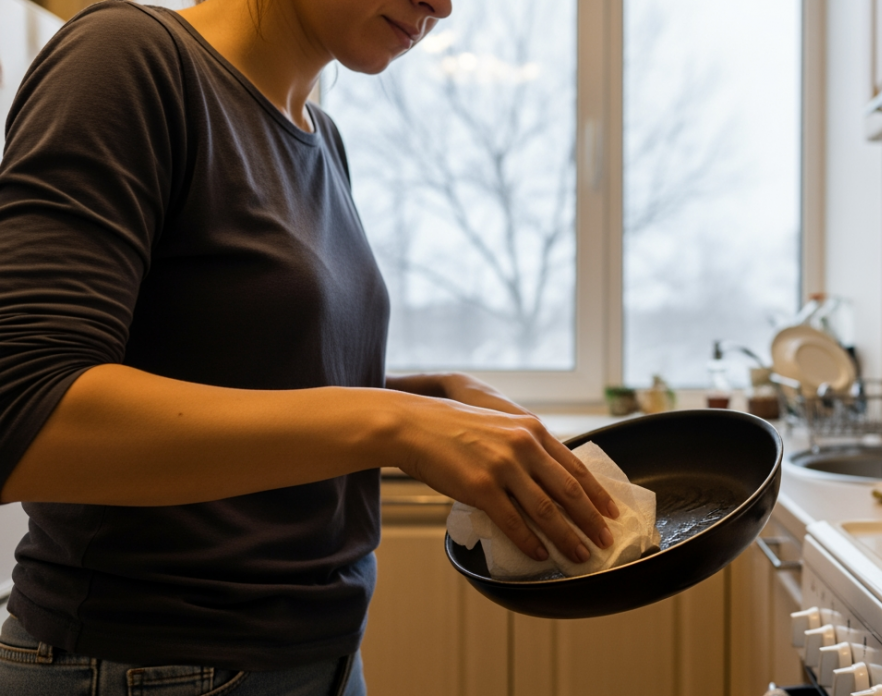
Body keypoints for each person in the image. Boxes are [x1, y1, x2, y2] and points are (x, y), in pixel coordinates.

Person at [0, 0, 618, 693]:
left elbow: (240, 370)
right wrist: (395, 425)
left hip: (320, 657)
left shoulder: (321, 135)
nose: (442, 6)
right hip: (149, 663)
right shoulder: (129, 56)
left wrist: (425, 399)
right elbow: (25, 417)